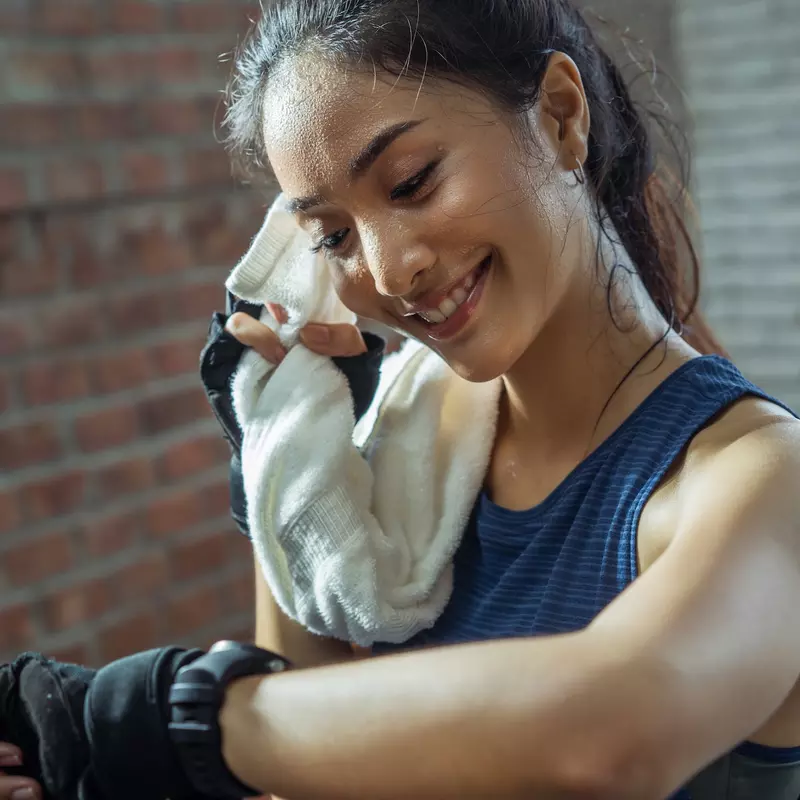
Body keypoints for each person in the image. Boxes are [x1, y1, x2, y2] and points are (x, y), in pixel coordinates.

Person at [2, 0, 800, 798]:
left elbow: (612, 735)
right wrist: (284, 464)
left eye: (413, 182)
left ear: (561, 116)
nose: (388, 274)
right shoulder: (415, 459)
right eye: (335, 236)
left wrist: (176, 722)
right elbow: (313, 782)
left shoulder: (759, 479)